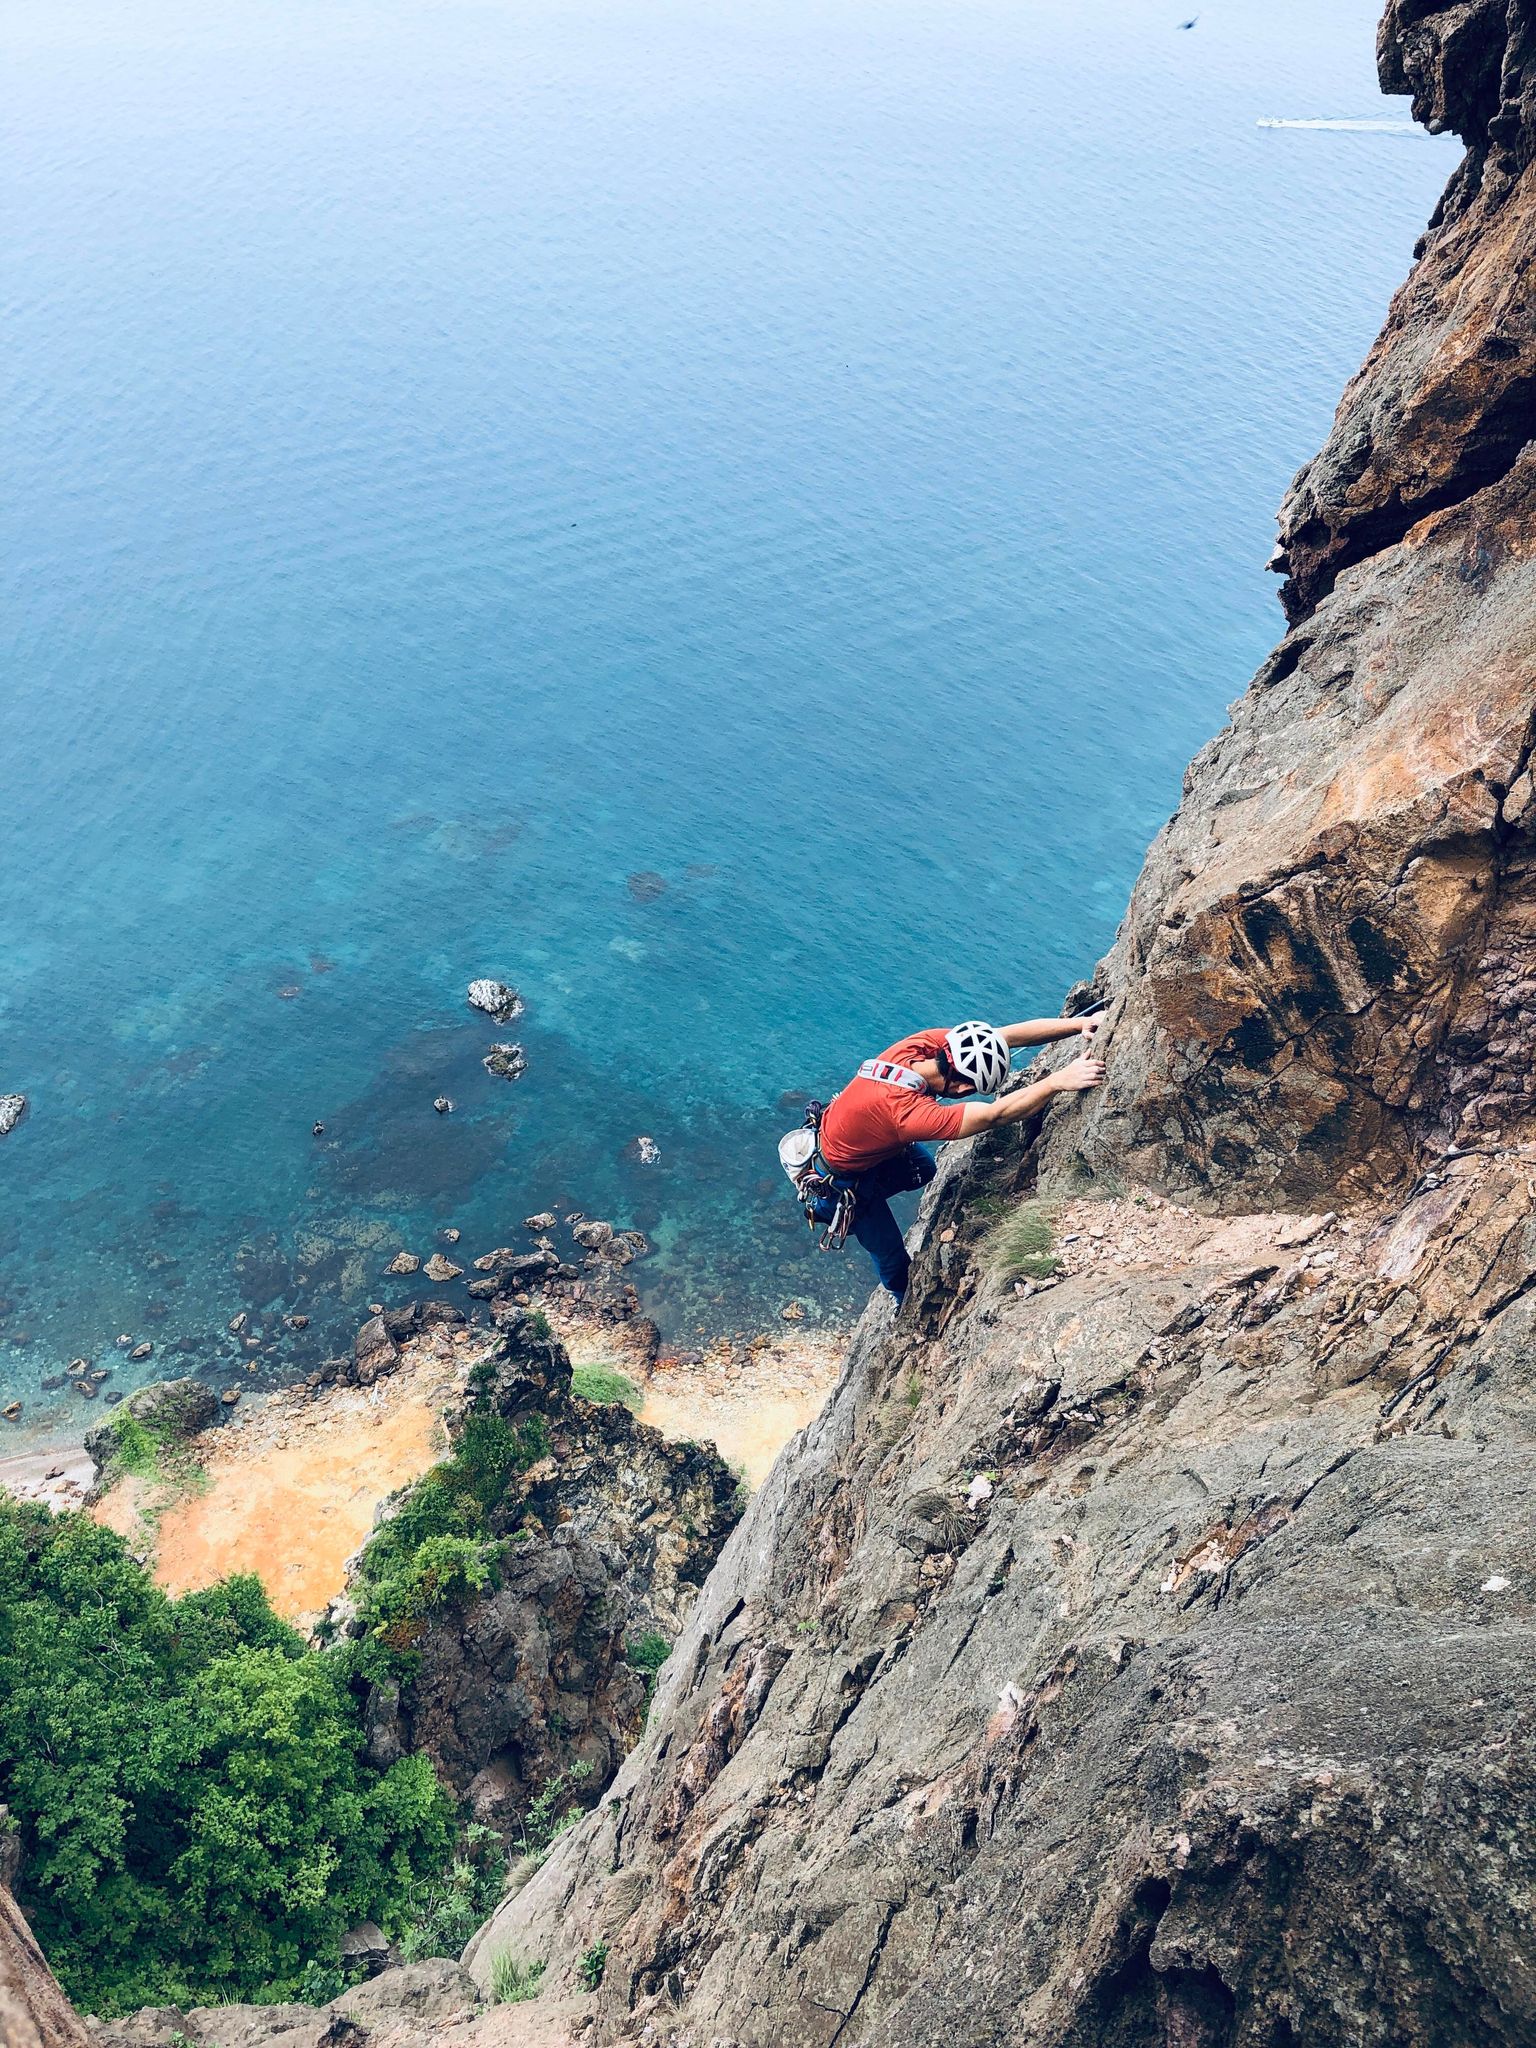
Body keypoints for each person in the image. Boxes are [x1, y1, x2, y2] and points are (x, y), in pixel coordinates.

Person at [811, 1016, 1104, 1305]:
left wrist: (1079, 1024)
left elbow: (1003, 1036)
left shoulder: (921, 1046)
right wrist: (1056, 1082)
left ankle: (866, 1186)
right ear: (964, 1089)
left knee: (924, 1169)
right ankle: (900, 1298)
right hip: (841, 1182)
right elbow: (996, 1115)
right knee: (889, 1252)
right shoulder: (907, 1115)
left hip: (842, 1140)